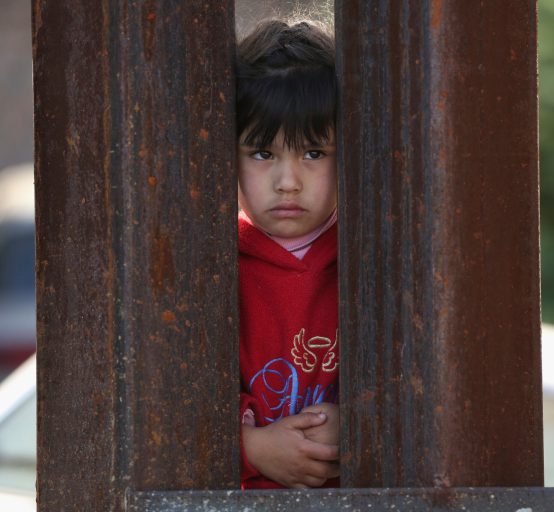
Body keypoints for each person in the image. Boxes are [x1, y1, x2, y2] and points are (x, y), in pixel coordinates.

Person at [236, 18, 341, 489]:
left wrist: (358, 427)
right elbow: (167, 404)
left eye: (314, 153)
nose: (288, 181)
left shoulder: (370, 259)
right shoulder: (210, 265)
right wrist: (250, 448)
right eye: (262, 153)